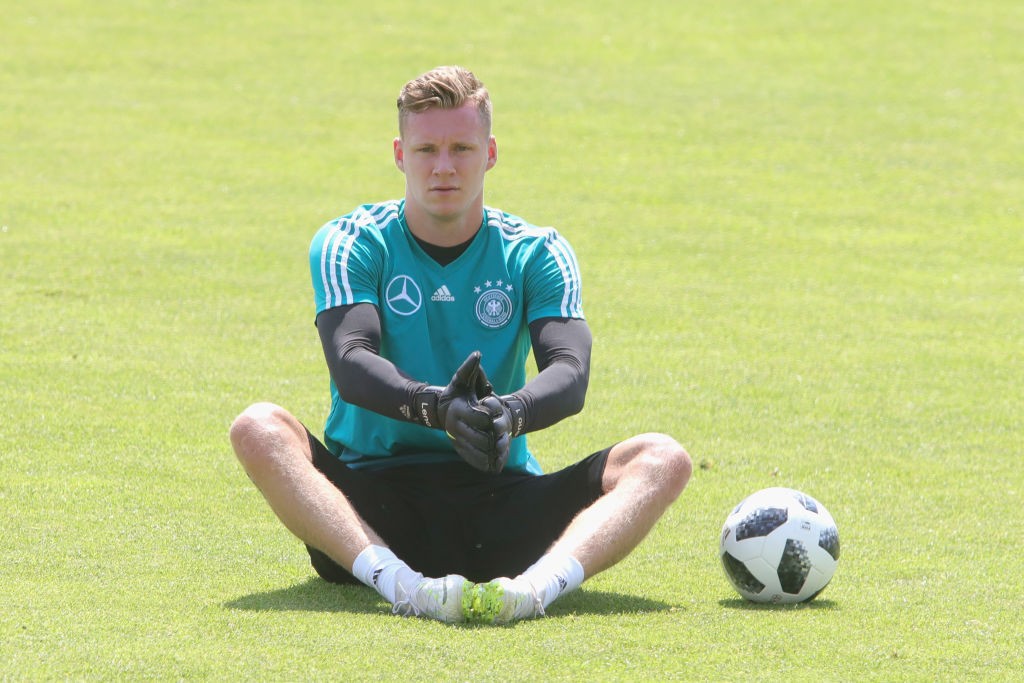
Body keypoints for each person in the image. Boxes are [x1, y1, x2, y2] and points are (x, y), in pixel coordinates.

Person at [229, 65, 692, 624]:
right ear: (400, 154)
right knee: (257, 427)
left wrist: (508, 415)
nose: (443, 167)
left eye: (461, 148)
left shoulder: (538, 251)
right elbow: (352, 361)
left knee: (663, 458)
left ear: (490, 152)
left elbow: (570, 371)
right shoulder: (350, 241)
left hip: (500, 505)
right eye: (426, 149)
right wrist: (438, 407)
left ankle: (531, 593)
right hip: (372, 507)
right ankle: (401, 586)